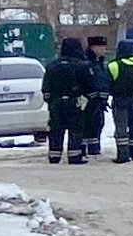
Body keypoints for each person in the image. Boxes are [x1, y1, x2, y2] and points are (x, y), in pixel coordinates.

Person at [42, 35, 105, 165]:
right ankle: (74, 156)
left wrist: (50, 101)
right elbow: (90, 86)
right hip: (75, 101)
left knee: (56, 129)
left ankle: (54, 156)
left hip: (56, 102)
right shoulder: (82, 66)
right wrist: (90, 100)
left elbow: (46, 87)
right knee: (75, 129)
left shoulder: (52, 66)